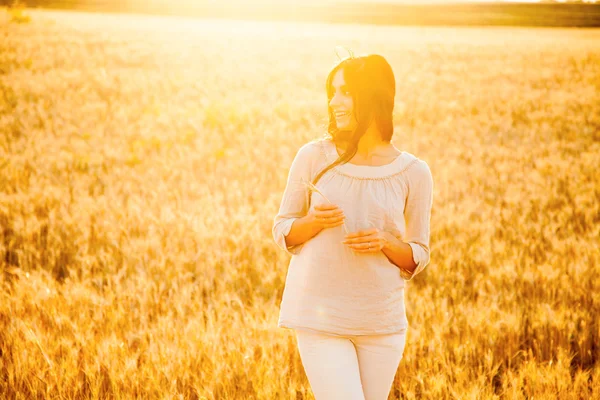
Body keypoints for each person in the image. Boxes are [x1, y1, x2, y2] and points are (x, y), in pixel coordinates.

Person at [272, 53, 434, 400]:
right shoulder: (313, 156)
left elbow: (418, 255)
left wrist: (387, 242)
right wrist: (313, 222)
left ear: (373, 97)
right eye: (333, 92)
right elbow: (283, 229)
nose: (334, 102)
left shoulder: (414, 172)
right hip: (321, 319)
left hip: (382, 324)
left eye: (345, 92)